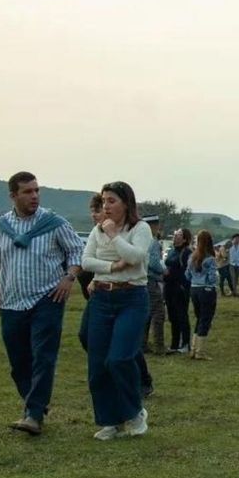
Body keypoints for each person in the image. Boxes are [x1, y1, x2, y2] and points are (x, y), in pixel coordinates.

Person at [0, 172, 84, 435]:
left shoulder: (54, 222)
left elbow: (76, 250)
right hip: (12, 301)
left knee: (43, 357)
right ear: (13, 195)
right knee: (18, 361)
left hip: (47, 298)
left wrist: (69, 277)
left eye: (36, 190)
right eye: (27, 192)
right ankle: (34, 403)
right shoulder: (1, 225)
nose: (34, 196)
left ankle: (33, 414)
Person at [81, 181, 153, 440]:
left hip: (132, 297)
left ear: (126, 203)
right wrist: (111, 267)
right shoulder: (96, 230)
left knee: (120, 358)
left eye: (111, 201)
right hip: (102, 296)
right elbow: (86, 261)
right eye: (103, 201)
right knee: (98, 363)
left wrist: (114, 235)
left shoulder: (140, 228)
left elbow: (135, 257)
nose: (106, 207)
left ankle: (134, 413)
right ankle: (109, 420)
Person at [186, 230, 219, 359]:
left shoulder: (191, 258)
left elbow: (187, 275)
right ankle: (200, 351)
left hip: (194, 289)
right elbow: (212, 278)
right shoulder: (210, 259)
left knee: (199, 318)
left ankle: (193, 349)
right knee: (206, 319)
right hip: (207, 290)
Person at [163, 228, 192, 354]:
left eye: (179, 235)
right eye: (175, 234)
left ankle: (185, 344)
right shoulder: (172, 251)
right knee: (172, 316)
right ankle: (174, 344)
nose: (175, 236)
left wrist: (183, 285)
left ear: (185, 239)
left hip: (179, 287)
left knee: (182, 315)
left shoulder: (186, 252)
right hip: (168, 286)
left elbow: (188, 270)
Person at [143, 219, 166, 355]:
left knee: (147, 313)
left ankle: (142, 343)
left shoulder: (141, 241)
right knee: (158, 313)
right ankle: (159, 346)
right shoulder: (154, 242)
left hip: (142, 280)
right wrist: (163, 271)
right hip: (151, 280)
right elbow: (153, 262)